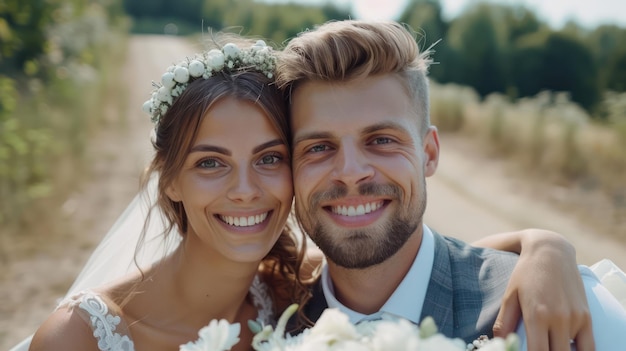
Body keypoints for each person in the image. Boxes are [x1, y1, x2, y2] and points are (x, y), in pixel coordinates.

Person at [18, 29, 596, 351]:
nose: (245, 190)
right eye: (211, 163)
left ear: (430, 154)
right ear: (167, 178)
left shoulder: (287, 293)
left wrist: (541, 245)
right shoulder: (80, 337)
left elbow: (404, 257)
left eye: (269, 158)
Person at [275, 19, 626, 350]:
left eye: (381, 140)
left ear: (428, 153)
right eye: (318, 147)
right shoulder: (262, 319)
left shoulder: (565, 314)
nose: (350, 172)